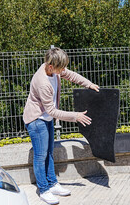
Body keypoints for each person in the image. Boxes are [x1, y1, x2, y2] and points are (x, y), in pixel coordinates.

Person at [23, 47, 99, 205]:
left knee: (49, 153)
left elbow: (70, 75)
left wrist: (89, 84)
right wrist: (75, 116)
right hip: (37, 120)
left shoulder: (53, 69)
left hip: (46, 118)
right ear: (51, 66)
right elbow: (52, 110)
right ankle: (44, 190)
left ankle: (53, 184)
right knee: (40, 156)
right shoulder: (42, 82)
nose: (63, 70)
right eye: (61, 68)